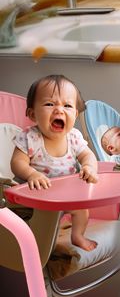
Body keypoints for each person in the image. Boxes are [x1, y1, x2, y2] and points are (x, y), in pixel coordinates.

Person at [10, 75, 100, 251]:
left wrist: (89, 167)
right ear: (32, 114)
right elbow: (17, 162)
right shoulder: (30, 137)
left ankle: (78, 236)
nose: (59, 110)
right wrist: (31, 174)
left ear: (74, 114)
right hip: (35, 197)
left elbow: (88, 156)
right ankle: (40, 242)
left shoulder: (74, 137)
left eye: (67, 106)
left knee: (81, 209)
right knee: (41, 221)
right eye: (50, 104)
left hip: (66, 195)